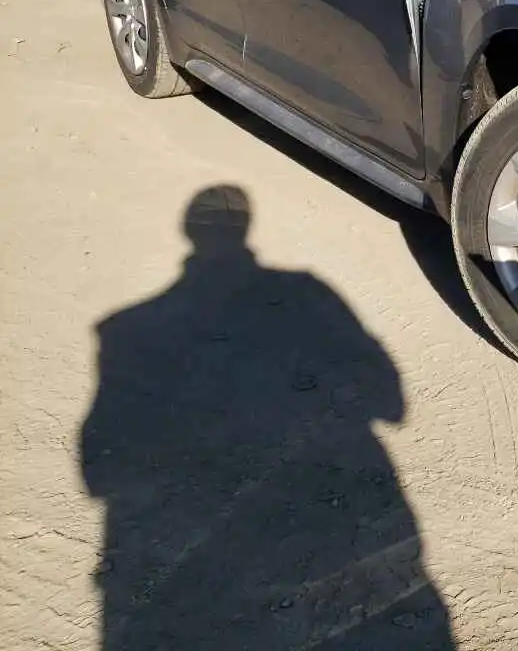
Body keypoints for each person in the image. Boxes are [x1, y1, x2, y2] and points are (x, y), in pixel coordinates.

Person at [80, 184, 454, 649]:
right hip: (331, 543)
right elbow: (391, 401)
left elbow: (97, 469)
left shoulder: (122, 332)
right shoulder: (307, 292)